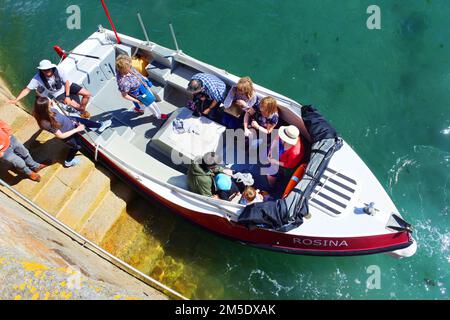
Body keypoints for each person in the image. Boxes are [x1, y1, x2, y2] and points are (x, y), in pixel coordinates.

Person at [32, 97, 111, 167]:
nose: (52, 102)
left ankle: (100, 125)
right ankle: (68, 161)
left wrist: (71, 121)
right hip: (69, 133)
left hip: (70, 121)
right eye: (50, 103)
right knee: (77, 146)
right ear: (45, 108)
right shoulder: (47, 122)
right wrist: (77, 129)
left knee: (84, 121)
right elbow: (60, 136)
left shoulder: (46, 111)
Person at [9, 60, 92, 118]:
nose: (47, 71)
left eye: (48, 69)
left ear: (51, 67)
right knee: (75, 105)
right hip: (57, 93)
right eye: (44, 70)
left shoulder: (58, 69)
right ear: (41, 70)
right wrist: (16, 100)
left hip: (66, 86)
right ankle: (81, 111)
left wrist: (67, 96)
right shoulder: (37, 78)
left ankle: (82, 109)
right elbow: (27, 89)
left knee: (87, 94)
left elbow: (66, 82)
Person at [115, 54, 167, 119]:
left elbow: (138, 74)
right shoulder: (123, 82)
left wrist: (145, 80)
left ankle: (139, 109)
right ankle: (158, 116)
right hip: (137, 94)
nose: (131, 66)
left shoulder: (130, 68)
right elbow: (124, 95)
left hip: (143, 88)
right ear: (124, 68)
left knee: (149, 102)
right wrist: (137, 101)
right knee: (151, 104)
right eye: (128, 66)